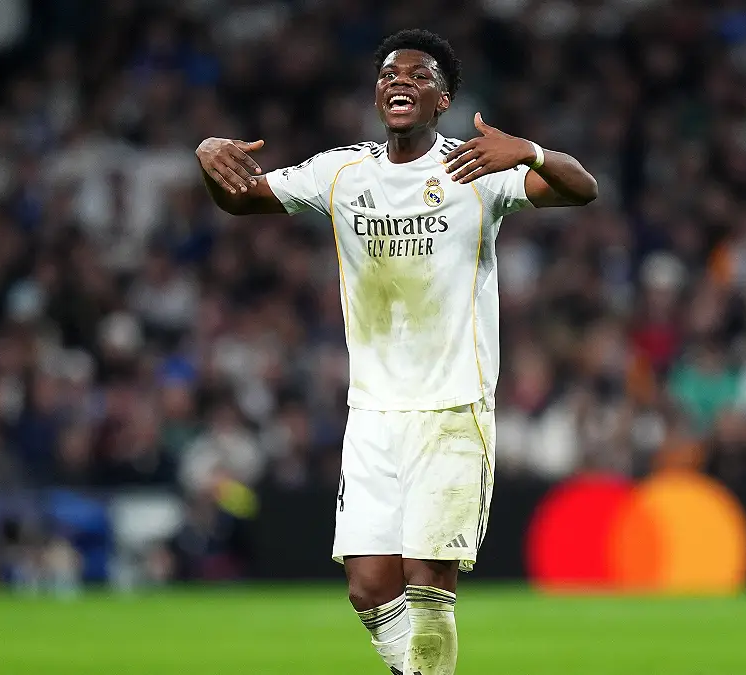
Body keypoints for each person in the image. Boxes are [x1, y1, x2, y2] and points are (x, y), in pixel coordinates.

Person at [196, 29, 597, 675]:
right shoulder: (342, 171)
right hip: (374, 412)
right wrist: (210, 156)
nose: (399, 81)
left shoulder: (475, 169)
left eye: (418, 74)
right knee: (368, 586)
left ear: (443, 100)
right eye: (388, 73)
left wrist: (529, 150)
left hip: (452, 405)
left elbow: (582, 188)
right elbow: (240, 199)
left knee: (428, 576)